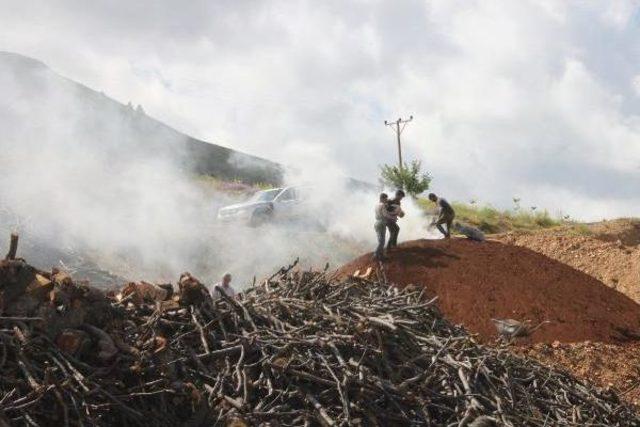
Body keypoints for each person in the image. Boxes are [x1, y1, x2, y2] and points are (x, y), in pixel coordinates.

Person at [374, 193, 393, 260]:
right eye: (385, 199)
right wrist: (392, 217)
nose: (386, 200)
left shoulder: (377, 205)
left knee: (381, 240)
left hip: (377, 223)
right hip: (382, 223)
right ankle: (376, 254)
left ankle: (381, 255)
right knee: (382, 241)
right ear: (382, 198)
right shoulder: (382, 205)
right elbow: (385, 215)